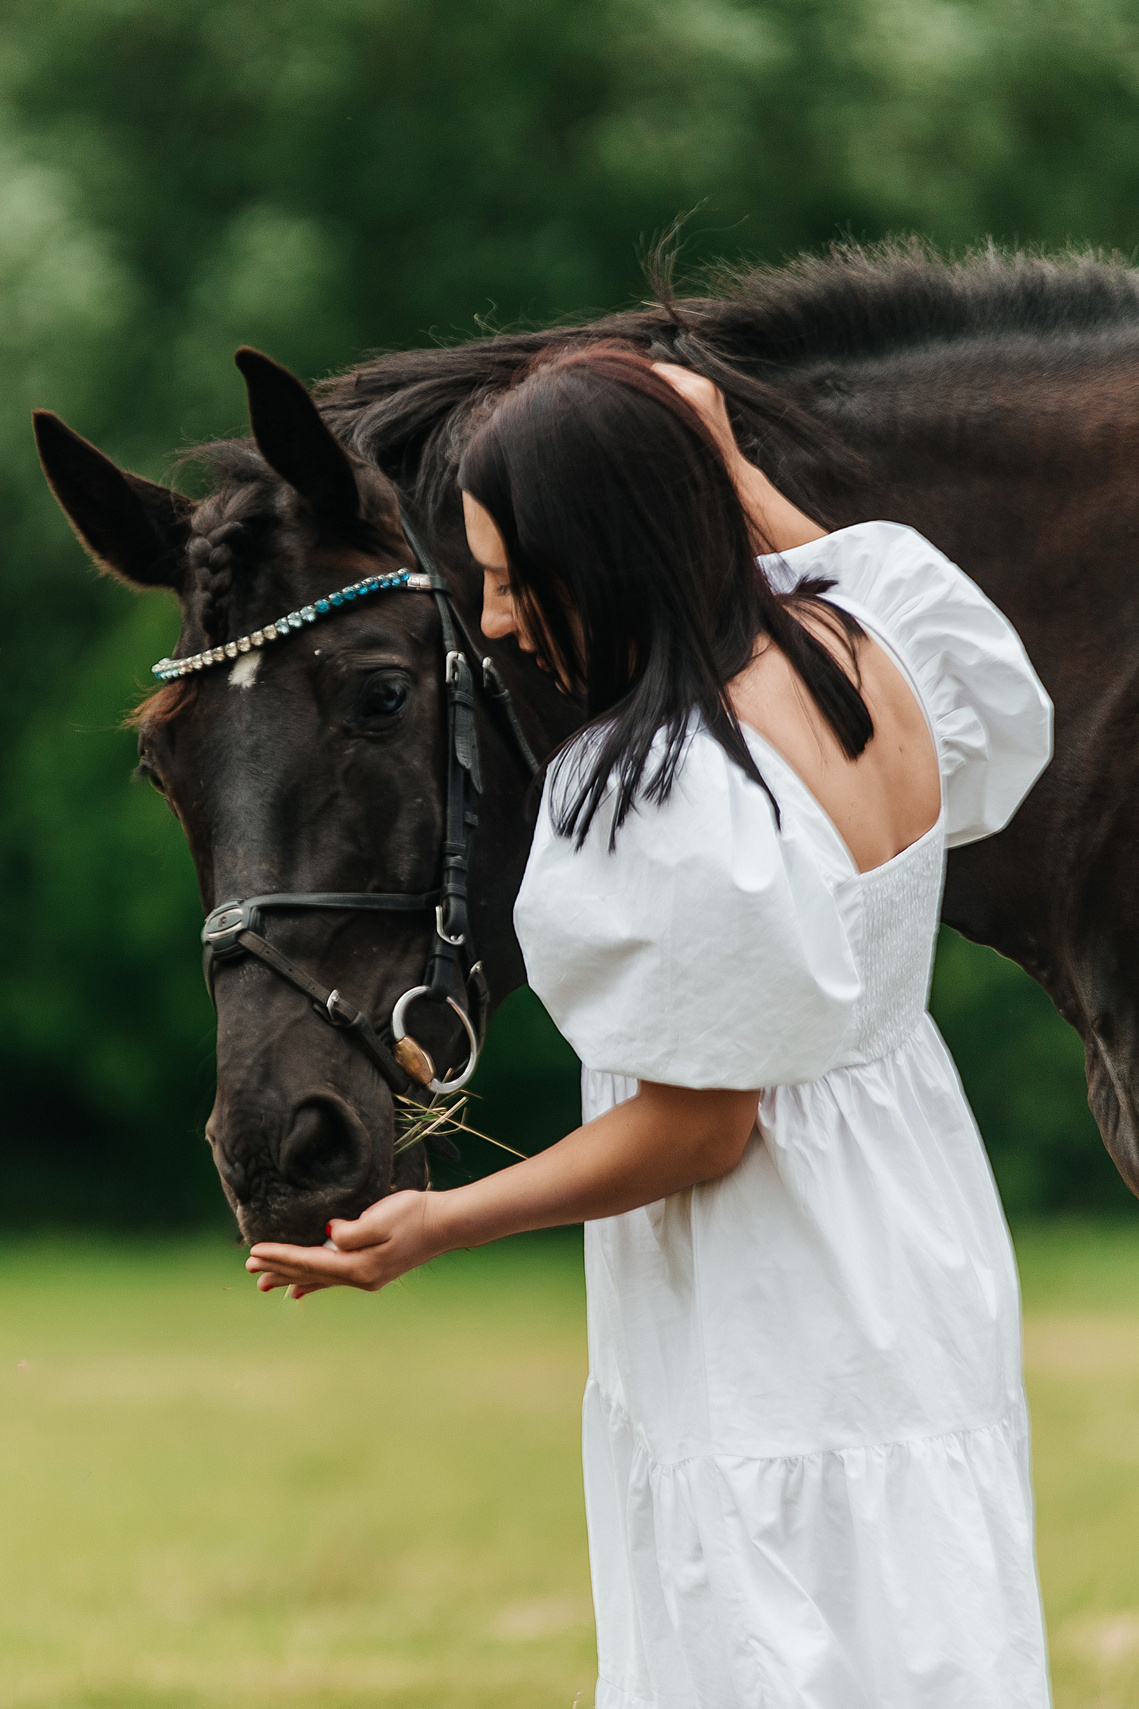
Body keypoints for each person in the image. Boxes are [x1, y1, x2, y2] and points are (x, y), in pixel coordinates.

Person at [247, 343, 1054, 1707]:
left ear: (601, 557)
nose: (496, 619)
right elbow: (850, 567)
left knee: (762, 1625)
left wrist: (442, 1221)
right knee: (915, 1605)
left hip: (767, 1283)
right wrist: (722, 464)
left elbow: (703, 1128)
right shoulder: (870, 644)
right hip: (912, 1229)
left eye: (512, 577)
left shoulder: (674, 792)